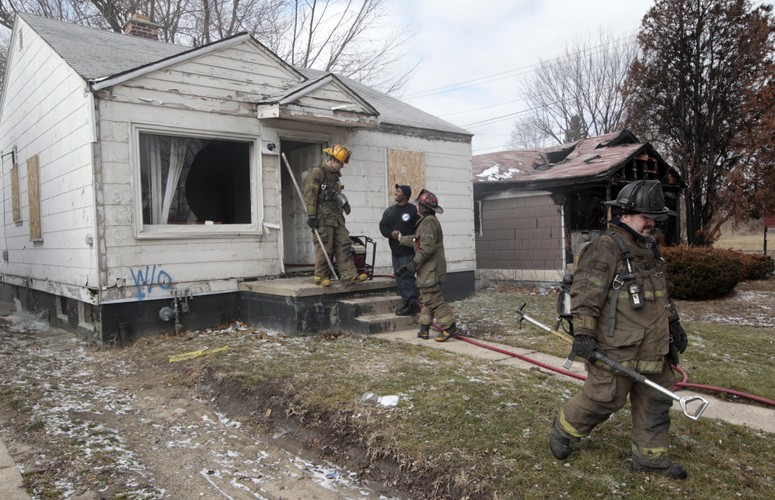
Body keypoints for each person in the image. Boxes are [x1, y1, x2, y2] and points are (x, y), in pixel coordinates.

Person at [549, 180, 689, 479]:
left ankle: (650, 459)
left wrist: (674, 325)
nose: (652, 222)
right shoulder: (605, 248)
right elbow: (586, 296)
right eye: (645, 216)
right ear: (624, 214)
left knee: (657, 400)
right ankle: (564, 429)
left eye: (655, 217)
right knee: (603, 399)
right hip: (617, 347)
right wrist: (584, 335)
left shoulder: (650, 248)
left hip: (654, 346)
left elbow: (661, 294)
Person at [394, 189, 460, 342]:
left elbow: (427, 247)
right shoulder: (425, 222)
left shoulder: (429, 222)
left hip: (431, 269)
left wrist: (413, 263)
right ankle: (424, 329)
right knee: (426, 299)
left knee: (433, 299)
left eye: (419, 204)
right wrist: (401, 238)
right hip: (427, 269)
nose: (416, 207)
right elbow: (417, 240)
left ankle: (450, 328)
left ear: (424, 207)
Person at [302, 144, 368, 286]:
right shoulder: (317, 172)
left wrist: (344, 204)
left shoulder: (335, 176)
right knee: (325, 246)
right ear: (333, 160)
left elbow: (336, 194)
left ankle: (349, 275)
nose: (342, 166)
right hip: (322, 217)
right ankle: (321, 276)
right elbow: (310, 195)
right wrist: (311, 216)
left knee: (344, 243)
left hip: (337, 217)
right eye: (341, 163)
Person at [379, 184, 421, 316]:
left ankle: (413, 303)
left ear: (405, 195)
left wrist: (414, 242)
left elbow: (420, 229)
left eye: (399, 191)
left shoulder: (413, 211)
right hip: (395, 251)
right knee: (399, 278)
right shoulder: (389, 211)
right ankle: (408, 302)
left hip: (407, 251)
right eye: (396, 190)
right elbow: (382, 227)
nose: (396, 192)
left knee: (406, 277)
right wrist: (391, 233)